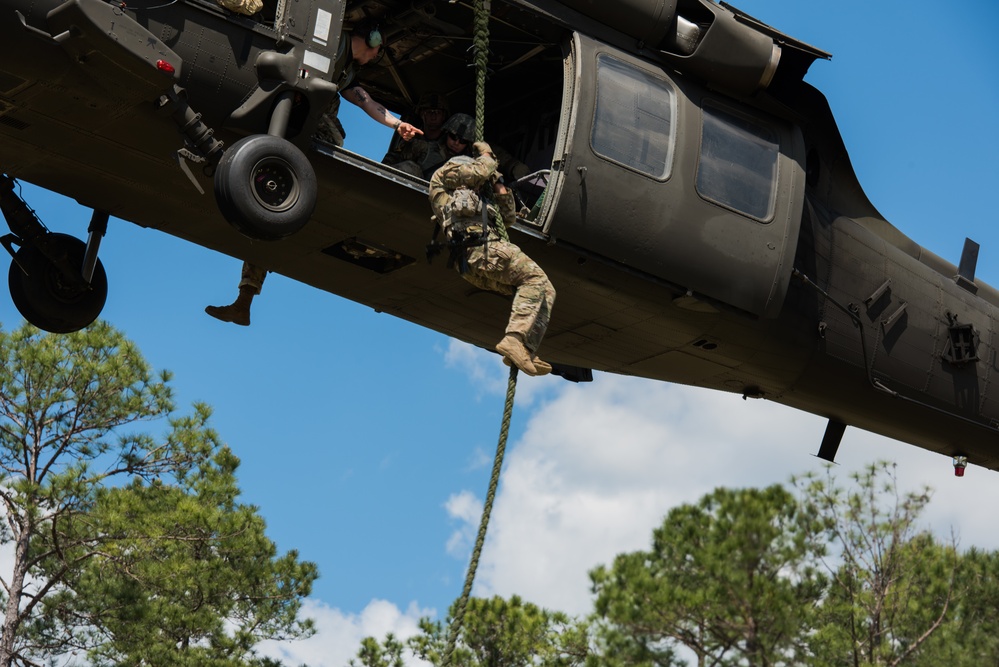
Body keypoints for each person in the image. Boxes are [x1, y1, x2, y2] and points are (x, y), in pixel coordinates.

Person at [206, 21, 422, 326]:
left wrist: (397, 125)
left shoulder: (345, 69)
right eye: (378, 51)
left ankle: (244, 301)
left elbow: (366, 101)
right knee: (263, 215)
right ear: (370, 40)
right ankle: (244, 300)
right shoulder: (326, 44)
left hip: (309, 133)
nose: (376, 58)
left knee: (266, 214)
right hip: (291, 128)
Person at [427, 141, 555, 376]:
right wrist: (487, 154)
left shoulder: (482, 198)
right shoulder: (444, 177)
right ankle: (514, 340)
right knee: (534, 278)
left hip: (479, 260)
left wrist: (497, 184)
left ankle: (524, 348)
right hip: (480, 250)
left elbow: (508, 219)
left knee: (544, 290)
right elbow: (478, 171)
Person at [382, 92, 450, 170]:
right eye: (429, 112)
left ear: (443, 116)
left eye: (438, 112)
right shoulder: (411, 138)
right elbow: (392, 159)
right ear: (422, 114)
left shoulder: (450, 142)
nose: (433, 116)